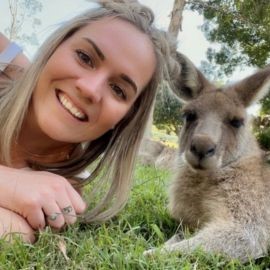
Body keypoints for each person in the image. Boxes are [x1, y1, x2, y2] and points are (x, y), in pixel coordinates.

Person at [0, 0, 179, 243]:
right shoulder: (7, 61)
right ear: (55, 47)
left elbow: (11, 232)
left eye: (118, 90)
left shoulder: (59, 194)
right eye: (84, 57)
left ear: (124, 119)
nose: (89, 89)